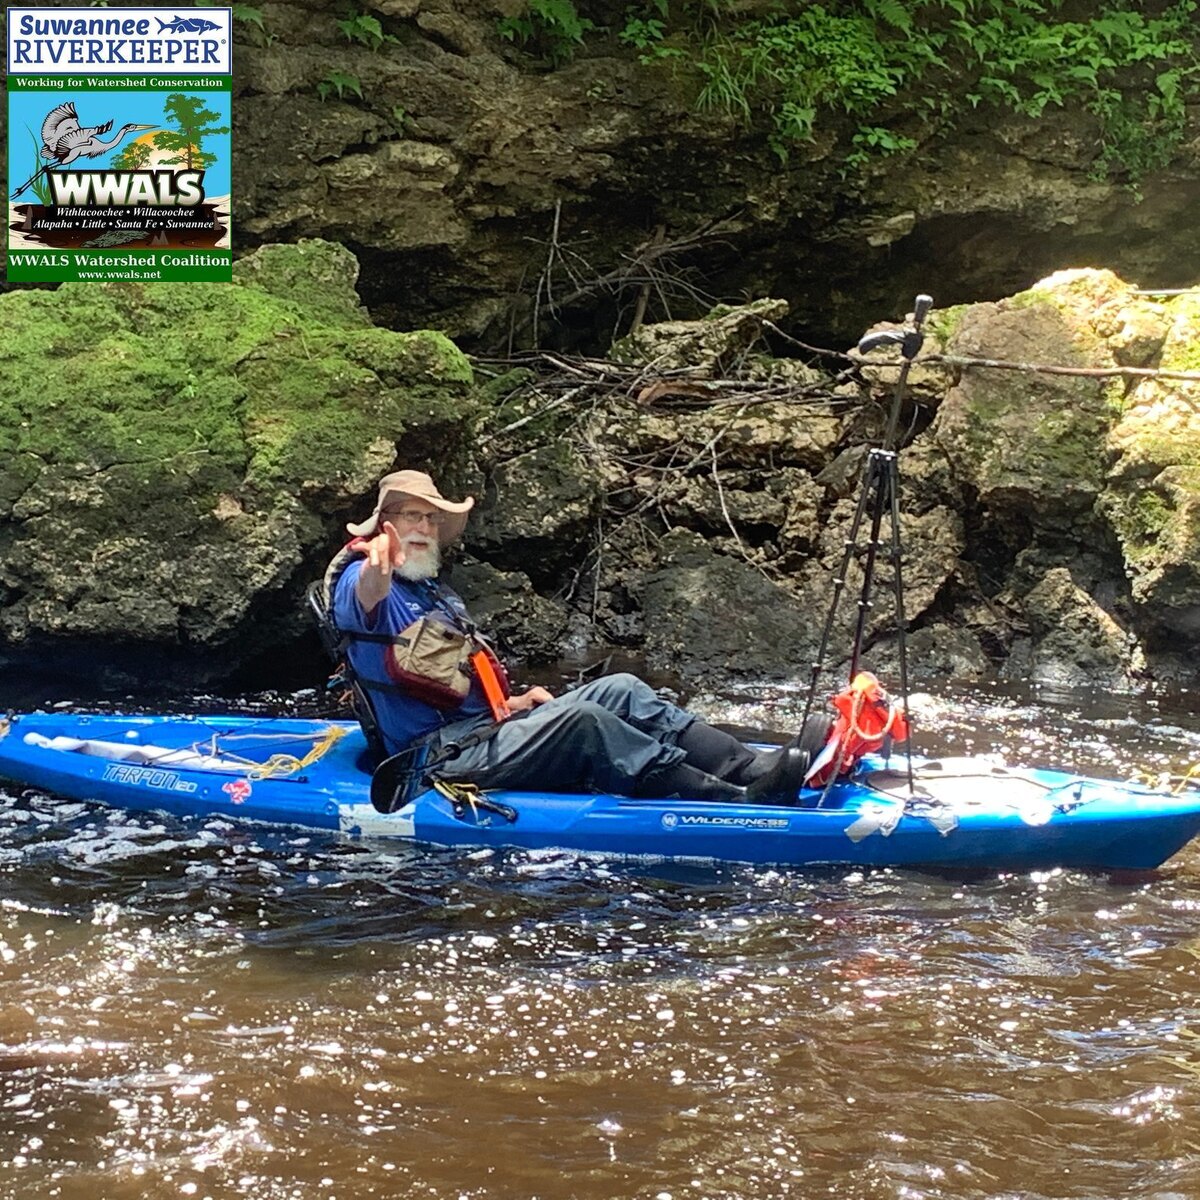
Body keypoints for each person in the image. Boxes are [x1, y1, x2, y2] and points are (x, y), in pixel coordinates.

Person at [323, 469, 827, 808]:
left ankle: (751, 765)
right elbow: (368, 596)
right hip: (436, 758)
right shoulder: (364, 583)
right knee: (583, 720)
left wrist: (513, 703)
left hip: (481, 732)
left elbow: (455, 677)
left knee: (621, 688)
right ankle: (733, 800)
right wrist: (376, 564)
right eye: (414, 516)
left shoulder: (433, 592)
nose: (426, 527)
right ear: (387, 524)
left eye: (432, 518)